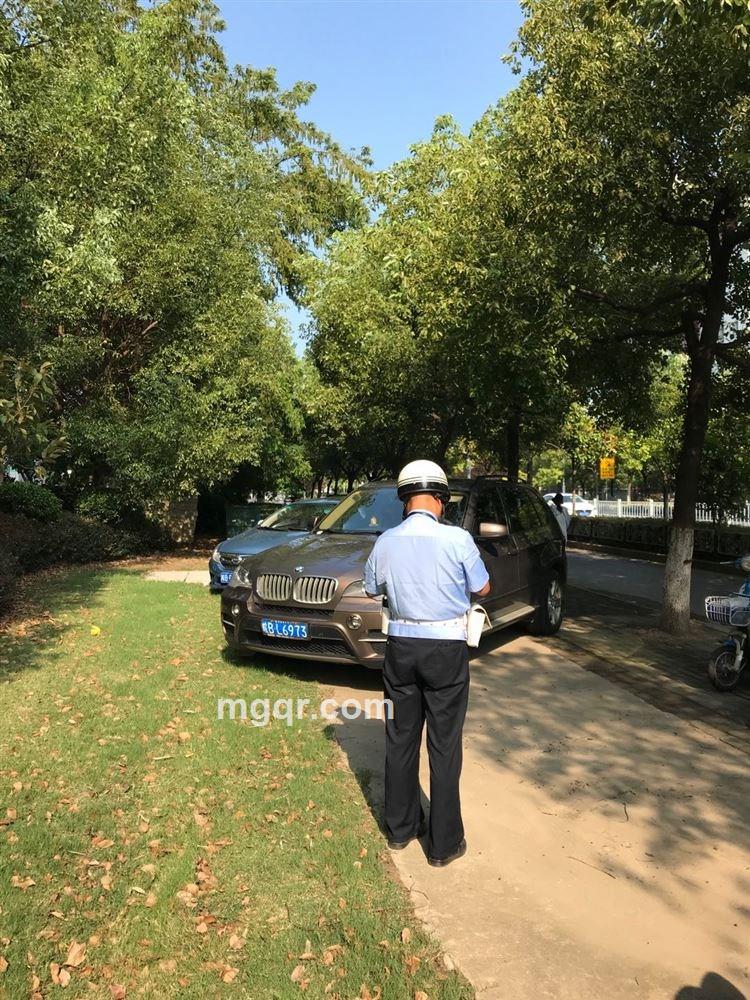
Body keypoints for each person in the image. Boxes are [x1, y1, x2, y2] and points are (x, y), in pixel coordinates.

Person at [364, 460, 490, 867]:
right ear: (440, 499)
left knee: (400, 738)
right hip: (446, 650)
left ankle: (400, 830)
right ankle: (443, 844)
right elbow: (483, 586)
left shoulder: (386, 541)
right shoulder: (458, 539)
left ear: (405, 499)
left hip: (401, 646)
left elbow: (371, 588)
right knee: (444, 745)